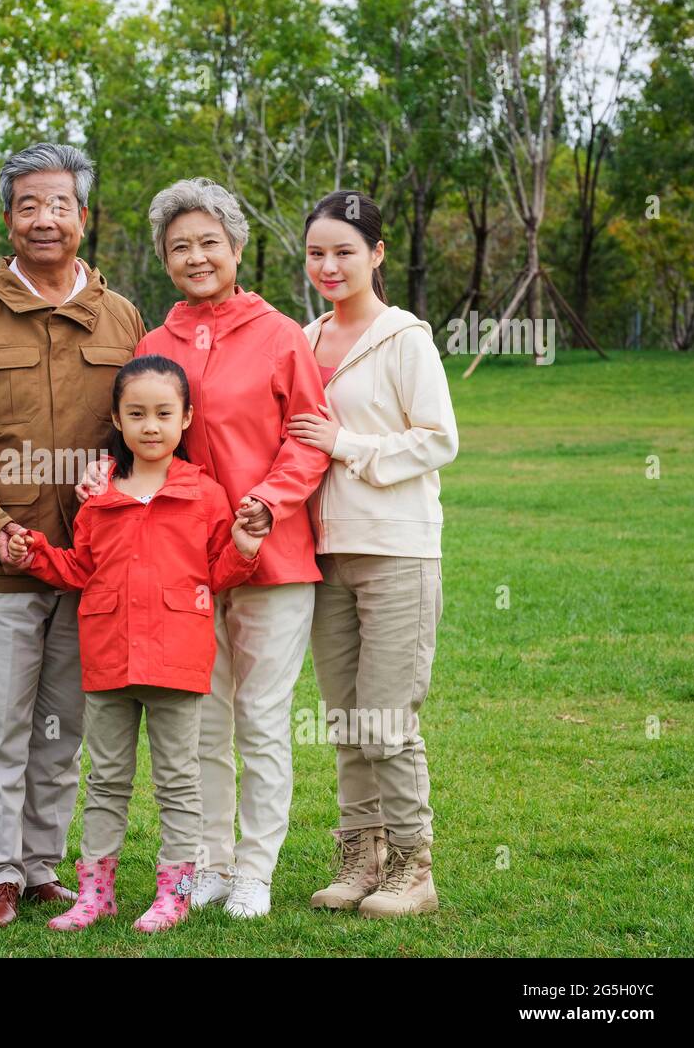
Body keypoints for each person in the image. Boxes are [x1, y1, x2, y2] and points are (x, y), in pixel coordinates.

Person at [78, 178, 329, 917]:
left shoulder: (281, 334)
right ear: (164, 257)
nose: (195, 256)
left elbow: (307, 441)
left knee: (261, 716)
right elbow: (137, 429)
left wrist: (268, 503)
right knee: (204, 723)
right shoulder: (156, 342)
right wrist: (105, 470)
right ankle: (210, 862)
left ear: (237, 247)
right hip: (181, 570)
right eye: (179, 245)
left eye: (208, 242)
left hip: (269, 558)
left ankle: (255, 867)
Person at [0, 143, 146, 927]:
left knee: (63, 724)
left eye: (60, 205)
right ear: (9, 218)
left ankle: (38, 865)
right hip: (4, 563)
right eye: (29, 205)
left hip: (89, 564)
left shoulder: (121, 316)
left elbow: (147, 431)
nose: (45, 219)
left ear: (83, 217)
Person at [8, 355, 263, 933]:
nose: (151, 426)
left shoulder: (204, 494)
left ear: (186, 418)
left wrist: (246, 544)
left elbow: (218, 573)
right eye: (137, 414)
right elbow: (81, 570)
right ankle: (97, 894)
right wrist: (38, 555)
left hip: (177, 661)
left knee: (178, 780)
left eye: (164, 414)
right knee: (106, 780)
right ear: (118, 421)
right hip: (108, 660)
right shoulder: (99, 496)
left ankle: (174, 891)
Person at [287, 189, 458, 918]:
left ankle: (414, 868)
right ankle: (362, 856)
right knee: (348, 721)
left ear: (377, 254)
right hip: (322, 554)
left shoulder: (404, 337)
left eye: (345, 251)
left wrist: (347, 445)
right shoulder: (305, 336)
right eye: (317, 252)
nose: (329, 265)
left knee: (386, 717)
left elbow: (439, 438)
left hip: (396, 551)